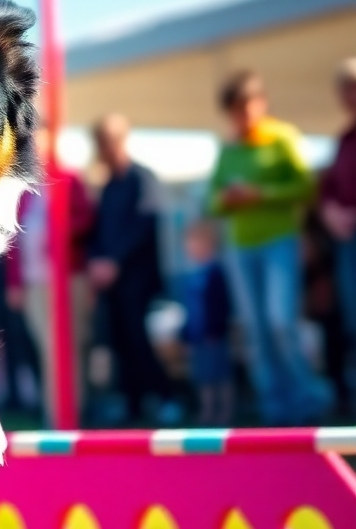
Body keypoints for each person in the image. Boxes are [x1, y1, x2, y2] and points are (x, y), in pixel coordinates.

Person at [209, 70, 331, 424]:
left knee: (281, 321)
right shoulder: (229, 149)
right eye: (234, 111)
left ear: (261, 103)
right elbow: (213, 202)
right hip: (240, 247)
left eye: (246, 107)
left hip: (279, 242)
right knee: (255, 328)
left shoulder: (282, 139)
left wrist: (260, 194)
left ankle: (308, 399)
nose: (242, 117)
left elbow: (306, 188)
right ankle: (274, 406)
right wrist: (229, 198)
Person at [87, 113, 177, 423]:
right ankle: (133, 403)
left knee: (141, 339)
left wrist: (114, 261)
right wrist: (97, 261)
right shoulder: (109, 185)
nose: (105, 149)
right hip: (112, 284)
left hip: (139, 279)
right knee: (120, 340)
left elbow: (144, 224)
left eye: (109, 142)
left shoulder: (142, 178)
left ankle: (166, 397)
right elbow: (98, 230)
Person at [6, 121, 94, 423]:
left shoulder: (70, 179)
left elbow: (86, 220)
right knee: (46, 347)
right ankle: (54, 412)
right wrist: (15, 283)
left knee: (66, 348)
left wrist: (59, 233)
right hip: (35, 282)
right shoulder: (26, 185)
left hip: (66, 278)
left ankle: (69, 412)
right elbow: (15, 238)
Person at [320, 57, 356, 404]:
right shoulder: (344, 140)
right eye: (346, 89)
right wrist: (332, 212)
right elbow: (328, 188)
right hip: (346, 241)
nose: (350, 96)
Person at [180, 218, 233, 426]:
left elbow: (223, 307)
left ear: (209, 246)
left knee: (221, 375)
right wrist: (185, 334)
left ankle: (225, 413)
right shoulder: (191, 275)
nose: (190, 250)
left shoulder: (216, 273)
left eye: (194, 245)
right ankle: (207, 411)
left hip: (215, 337)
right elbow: (189, 309)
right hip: (198, 338)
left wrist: (216, 330)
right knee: (203, 377)